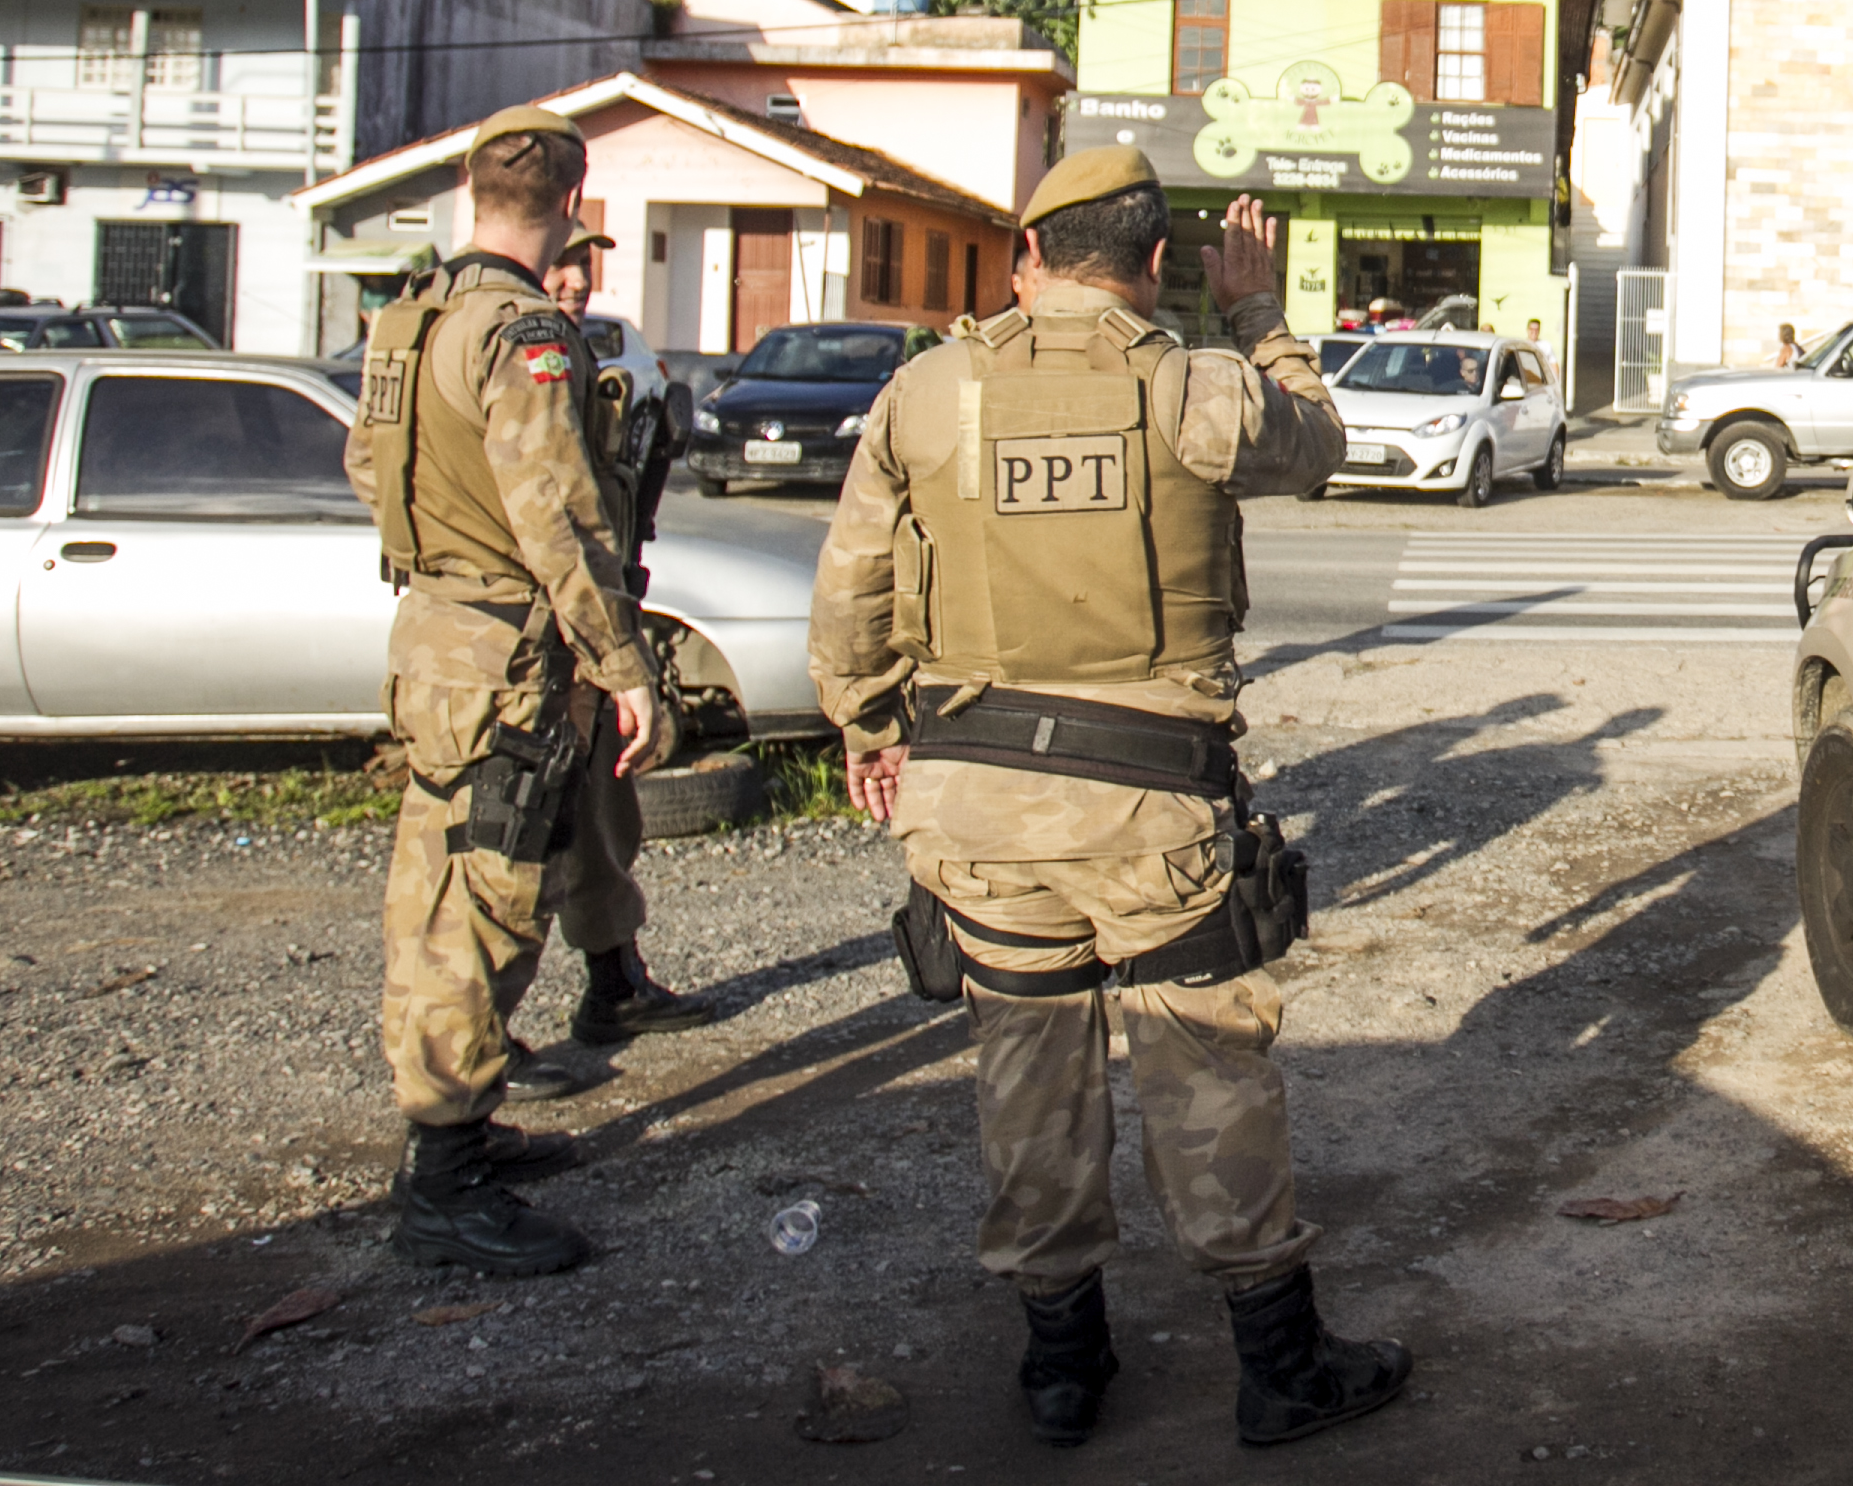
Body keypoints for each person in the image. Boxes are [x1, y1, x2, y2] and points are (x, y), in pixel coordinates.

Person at [809, 152, 1411, 1450]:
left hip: (974, 804)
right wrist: (1256, 310)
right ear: (1155, 268)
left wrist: (867, 725)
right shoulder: (1197, 387)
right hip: (1149, 810)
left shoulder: (930, 391)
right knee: (1206, 1073)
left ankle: (1063, 1368)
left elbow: (853, 578)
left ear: (1027, 256)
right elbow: (1317, 445)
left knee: (1027, 1068)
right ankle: (1280, 1365)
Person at [345, 108, 674, 1277]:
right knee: (480, 906)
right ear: (574, 204)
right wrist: (623, 666)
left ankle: (464, 1132)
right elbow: (561, 516)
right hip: (508, 649)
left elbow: (367, 467)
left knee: (442, 887)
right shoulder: (525, 330)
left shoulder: (410, 316)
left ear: (469, 188)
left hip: (435, 630)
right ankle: (443, 1180)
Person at [530, 226, 719, 1062]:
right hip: (537, 636)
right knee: (519, 835)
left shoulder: (580, 360)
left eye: (585, 266)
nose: (576, 281)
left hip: (596, 623)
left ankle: (613, 982)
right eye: (561, 265)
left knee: (605, 813)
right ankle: (477, 1044)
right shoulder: (510, 362)